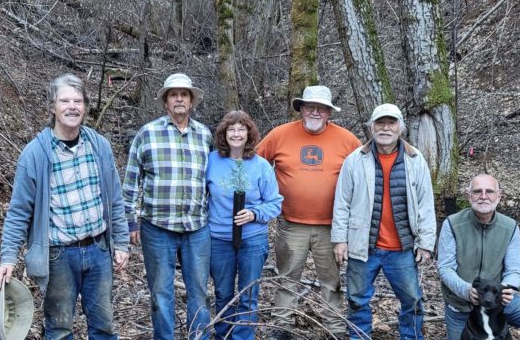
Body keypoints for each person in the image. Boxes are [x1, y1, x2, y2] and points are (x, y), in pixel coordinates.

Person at [0, 74, 130, 339]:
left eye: (78, 101)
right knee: (58, 330)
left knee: (104, 327)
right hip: (58, 256)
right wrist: (8, 256)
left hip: (99, 250)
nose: (72, 106)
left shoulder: (99, 146)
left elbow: (115, 198)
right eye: (65, 100)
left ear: (85, 106)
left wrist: (122, 242)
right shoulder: (35, 154)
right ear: (52, 106)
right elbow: (19, 211)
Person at [258, 85, 361, 339]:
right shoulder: (279, 135)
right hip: (291, 225)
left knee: (332, 283)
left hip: (332, 228)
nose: (315, 112)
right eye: (310, 107)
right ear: (301, 109)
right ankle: (282, 327)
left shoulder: (347, 140)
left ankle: (334, 329)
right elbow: (256, 164)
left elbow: (365, 172)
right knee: (287, 279)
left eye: (321, 108)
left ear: (329, 113)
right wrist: (258, 204)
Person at [332, 103, 436, 340]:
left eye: (391, 123)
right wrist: (339, 239)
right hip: (362, 246)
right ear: (371, 127)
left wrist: (426, 242)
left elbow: (426, 205)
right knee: (357, 300)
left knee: (412, 300)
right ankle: (360, 336)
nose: (385, 128)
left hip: (401, 248)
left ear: (401, 128)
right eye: (380, 123)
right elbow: (342, 202)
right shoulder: (355, 160)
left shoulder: (415, 159)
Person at [123, 73, 212, 339]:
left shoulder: (204, 135)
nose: (179, 99)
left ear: (192, 101)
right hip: (157, 228)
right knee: (161, 293)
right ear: (165, 102)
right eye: (174, 95)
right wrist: (130, 221)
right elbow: (131, 181)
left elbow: (212, 182)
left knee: (199, 291)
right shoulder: (148, 134)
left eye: (184, 94)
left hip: (197, 228)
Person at [437, 174, 520, 340]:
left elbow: (514, 270)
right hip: (461, 304)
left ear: (499, 195)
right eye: (477, 191)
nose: (483, 196)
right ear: (468, 195)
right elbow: (445, 267)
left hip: (498, 301)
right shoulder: (452, 224)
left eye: (489, 191)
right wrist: (466, 290)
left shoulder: (510, 227)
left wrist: (507, 288)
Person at [207, 110, 283, 339]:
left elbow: (275, 202)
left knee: (248, 293)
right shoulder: (211, 160)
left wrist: (254, 213)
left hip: (252, 238)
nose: (237, 134)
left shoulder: (261, 166)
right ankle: (223, 334)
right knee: (222, 293)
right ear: (224, 133)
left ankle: (243, 337)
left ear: (249, 134)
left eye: (242, 129)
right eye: (232, 129)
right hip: (218, 238)